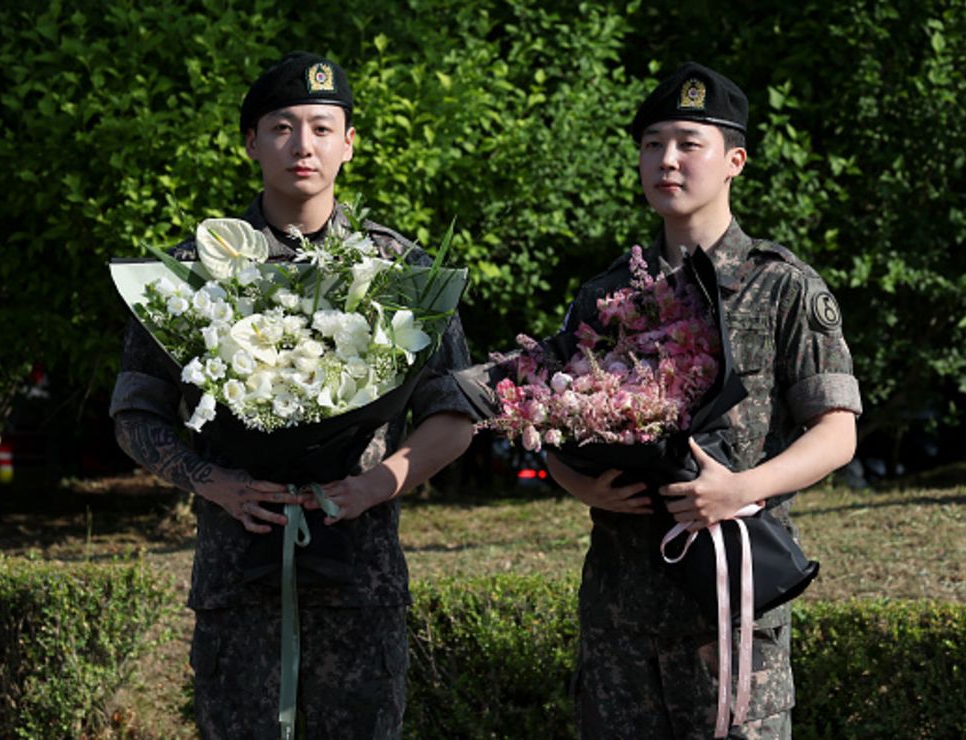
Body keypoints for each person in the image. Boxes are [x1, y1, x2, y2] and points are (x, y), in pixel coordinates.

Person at [110, 52, 475, 738]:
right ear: (252, 141)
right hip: (237, 582)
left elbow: (455, 413)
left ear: (349, 142)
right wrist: (215, 482)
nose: (302, 146)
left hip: (359, 583)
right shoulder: (192, 273)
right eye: (281, 127)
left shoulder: (399, 270)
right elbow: (135, 412)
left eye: (320, 126)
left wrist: (376, 486)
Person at [546, 62, 862, 738]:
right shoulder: (605, 296)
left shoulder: (783, 288)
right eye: (653, 143)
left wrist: (740, 488)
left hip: (732, 609)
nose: (667, 160)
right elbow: (552, 426)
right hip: (621, 616)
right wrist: (583, 486)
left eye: (690, 143)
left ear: (734, 161)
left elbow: (837, 432)